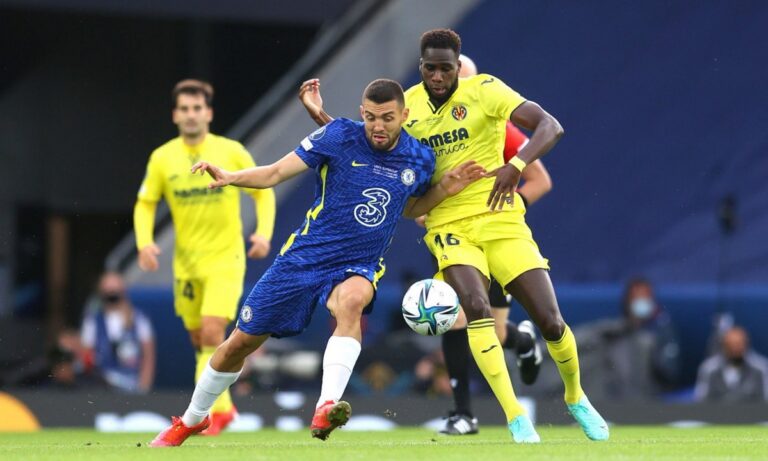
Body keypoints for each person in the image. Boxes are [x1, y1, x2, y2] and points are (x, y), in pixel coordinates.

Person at [298, 29, 608, 443]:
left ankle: (575, 396)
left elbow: (549, 126)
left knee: (551, 322)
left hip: (501, 221)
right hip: (448, 226)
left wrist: (515, 165)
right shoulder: (409, 106)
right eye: (431, 68)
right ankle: (515, 416)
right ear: (421, 66)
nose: (438, 76)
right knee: (475, 309)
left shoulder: (485, 90)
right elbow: (368, 142)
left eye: (446, 68)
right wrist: (321, 117)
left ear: (458, 66)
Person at [148, 78, 485, 447]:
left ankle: (326, 405)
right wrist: (231, 177)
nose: (378, 126)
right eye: (371, 117)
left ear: (404, 116)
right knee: (239, 344)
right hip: (305, 257)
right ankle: (192, 419)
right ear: (362, 113)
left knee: (352, 302)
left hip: (359, 263)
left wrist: (443, 189)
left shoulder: (420, 158)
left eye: (387, 118)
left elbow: (409, 208)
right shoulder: (338, 135)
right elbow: (275, 173)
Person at [134, 79, 276, 434]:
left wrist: (263, 233)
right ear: (175, 115)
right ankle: (223, 410)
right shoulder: (162, 158)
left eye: (197, 108)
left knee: (213, 332)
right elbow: (146, 202)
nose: (191, 115)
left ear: (209, 113)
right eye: (184, 109)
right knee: (200, 340)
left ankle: (204, 415)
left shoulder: (231, 151)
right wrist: (144, 242)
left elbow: (263, 191)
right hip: (186, 264)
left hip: (225, 259)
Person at [432, 53, 554, 435]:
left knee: (494, 332)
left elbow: (540, 180)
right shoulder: (427, 125)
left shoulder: (497, 126)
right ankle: (462, 414)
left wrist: (505, 205)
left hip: (494, 236)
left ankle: (521, 339)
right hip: (453, 235)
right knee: (454, 318)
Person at [573, 277, 681, 400]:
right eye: (636, 298)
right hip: (612, 398)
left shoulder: (661, 332)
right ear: (627, 302)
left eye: (645, 297)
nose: (641, 302)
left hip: (648, 399)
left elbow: (670, 372)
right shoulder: (611, 333)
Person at [80, 272, 156, 393]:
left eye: (115, 291)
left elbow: (148, 357)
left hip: (132, 384)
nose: (112, 296)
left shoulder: (139, 320)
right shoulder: (93, 321)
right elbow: (86, 354)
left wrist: (143, 388)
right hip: (103, 386)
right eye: (108, 291)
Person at [695, 326, 768, 402]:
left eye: (739, 344)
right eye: (730, 345)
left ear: (746, 345)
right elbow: (701, 400)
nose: (735, 349)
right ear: (723, 346)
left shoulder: (761, 368)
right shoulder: (709, 369)